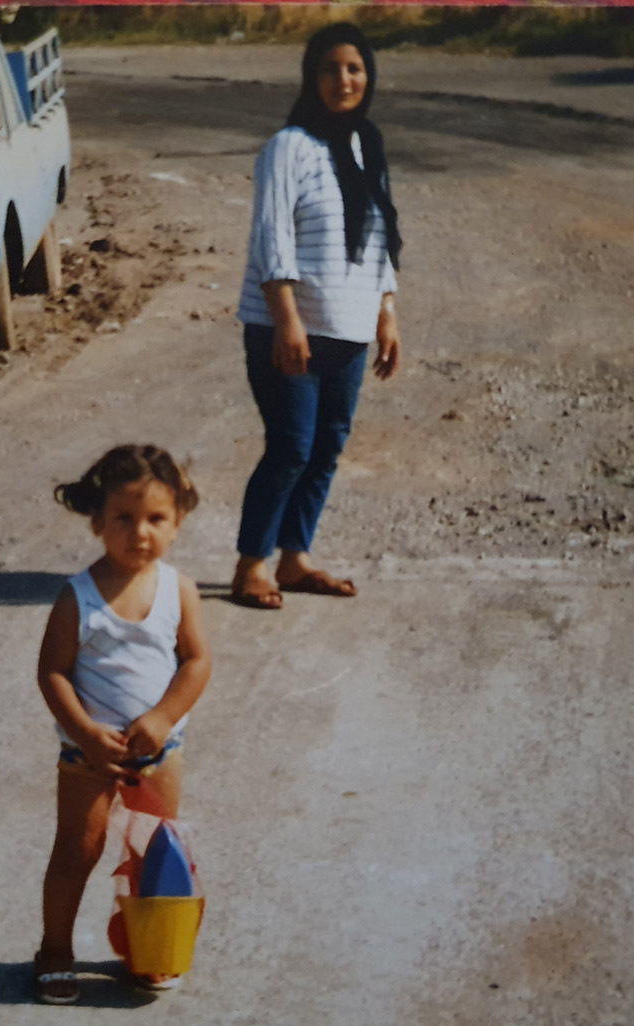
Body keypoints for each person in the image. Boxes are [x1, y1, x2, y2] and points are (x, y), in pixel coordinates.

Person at [230, 22, 403, 610]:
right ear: (311, 77)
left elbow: (379, 239)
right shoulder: (289, 147)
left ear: (369, 77)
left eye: (354, 69)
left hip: (349, 328)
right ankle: (251, 565)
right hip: (290, 328)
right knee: (290, 448)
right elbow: (272, 237)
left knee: (327, 447)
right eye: (330, 69)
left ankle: (295, 558)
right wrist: (286, 320)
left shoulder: (366, 145)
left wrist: (386, 312)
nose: (343, 80)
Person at [33, 445, 212, 1005]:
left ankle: (148, 950)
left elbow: (196, 661)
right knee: (78, 850)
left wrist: (163, 717)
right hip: (89, 755)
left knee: (155, 853)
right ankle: (54, 950)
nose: (140, 533)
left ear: (177, 522)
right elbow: (52, 672)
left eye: (156, 518)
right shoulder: (78, 597)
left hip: (160, 750)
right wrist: (86, 733)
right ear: (97, 522)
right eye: (124, 519)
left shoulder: (179, 590)